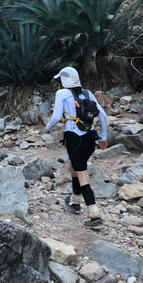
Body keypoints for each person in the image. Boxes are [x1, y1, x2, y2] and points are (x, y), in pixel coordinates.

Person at [45, 66, 108, 230]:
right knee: (74, 167)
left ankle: (95, 216)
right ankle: (75, 202)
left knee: (82, 175)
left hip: (75, 139)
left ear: (64, 80)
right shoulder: (87, 93)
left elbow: (57, 117)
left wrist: (48, 128)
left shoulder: (61, 94)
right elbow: (103, 116)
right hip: (90, 139)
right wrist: (103, 137)